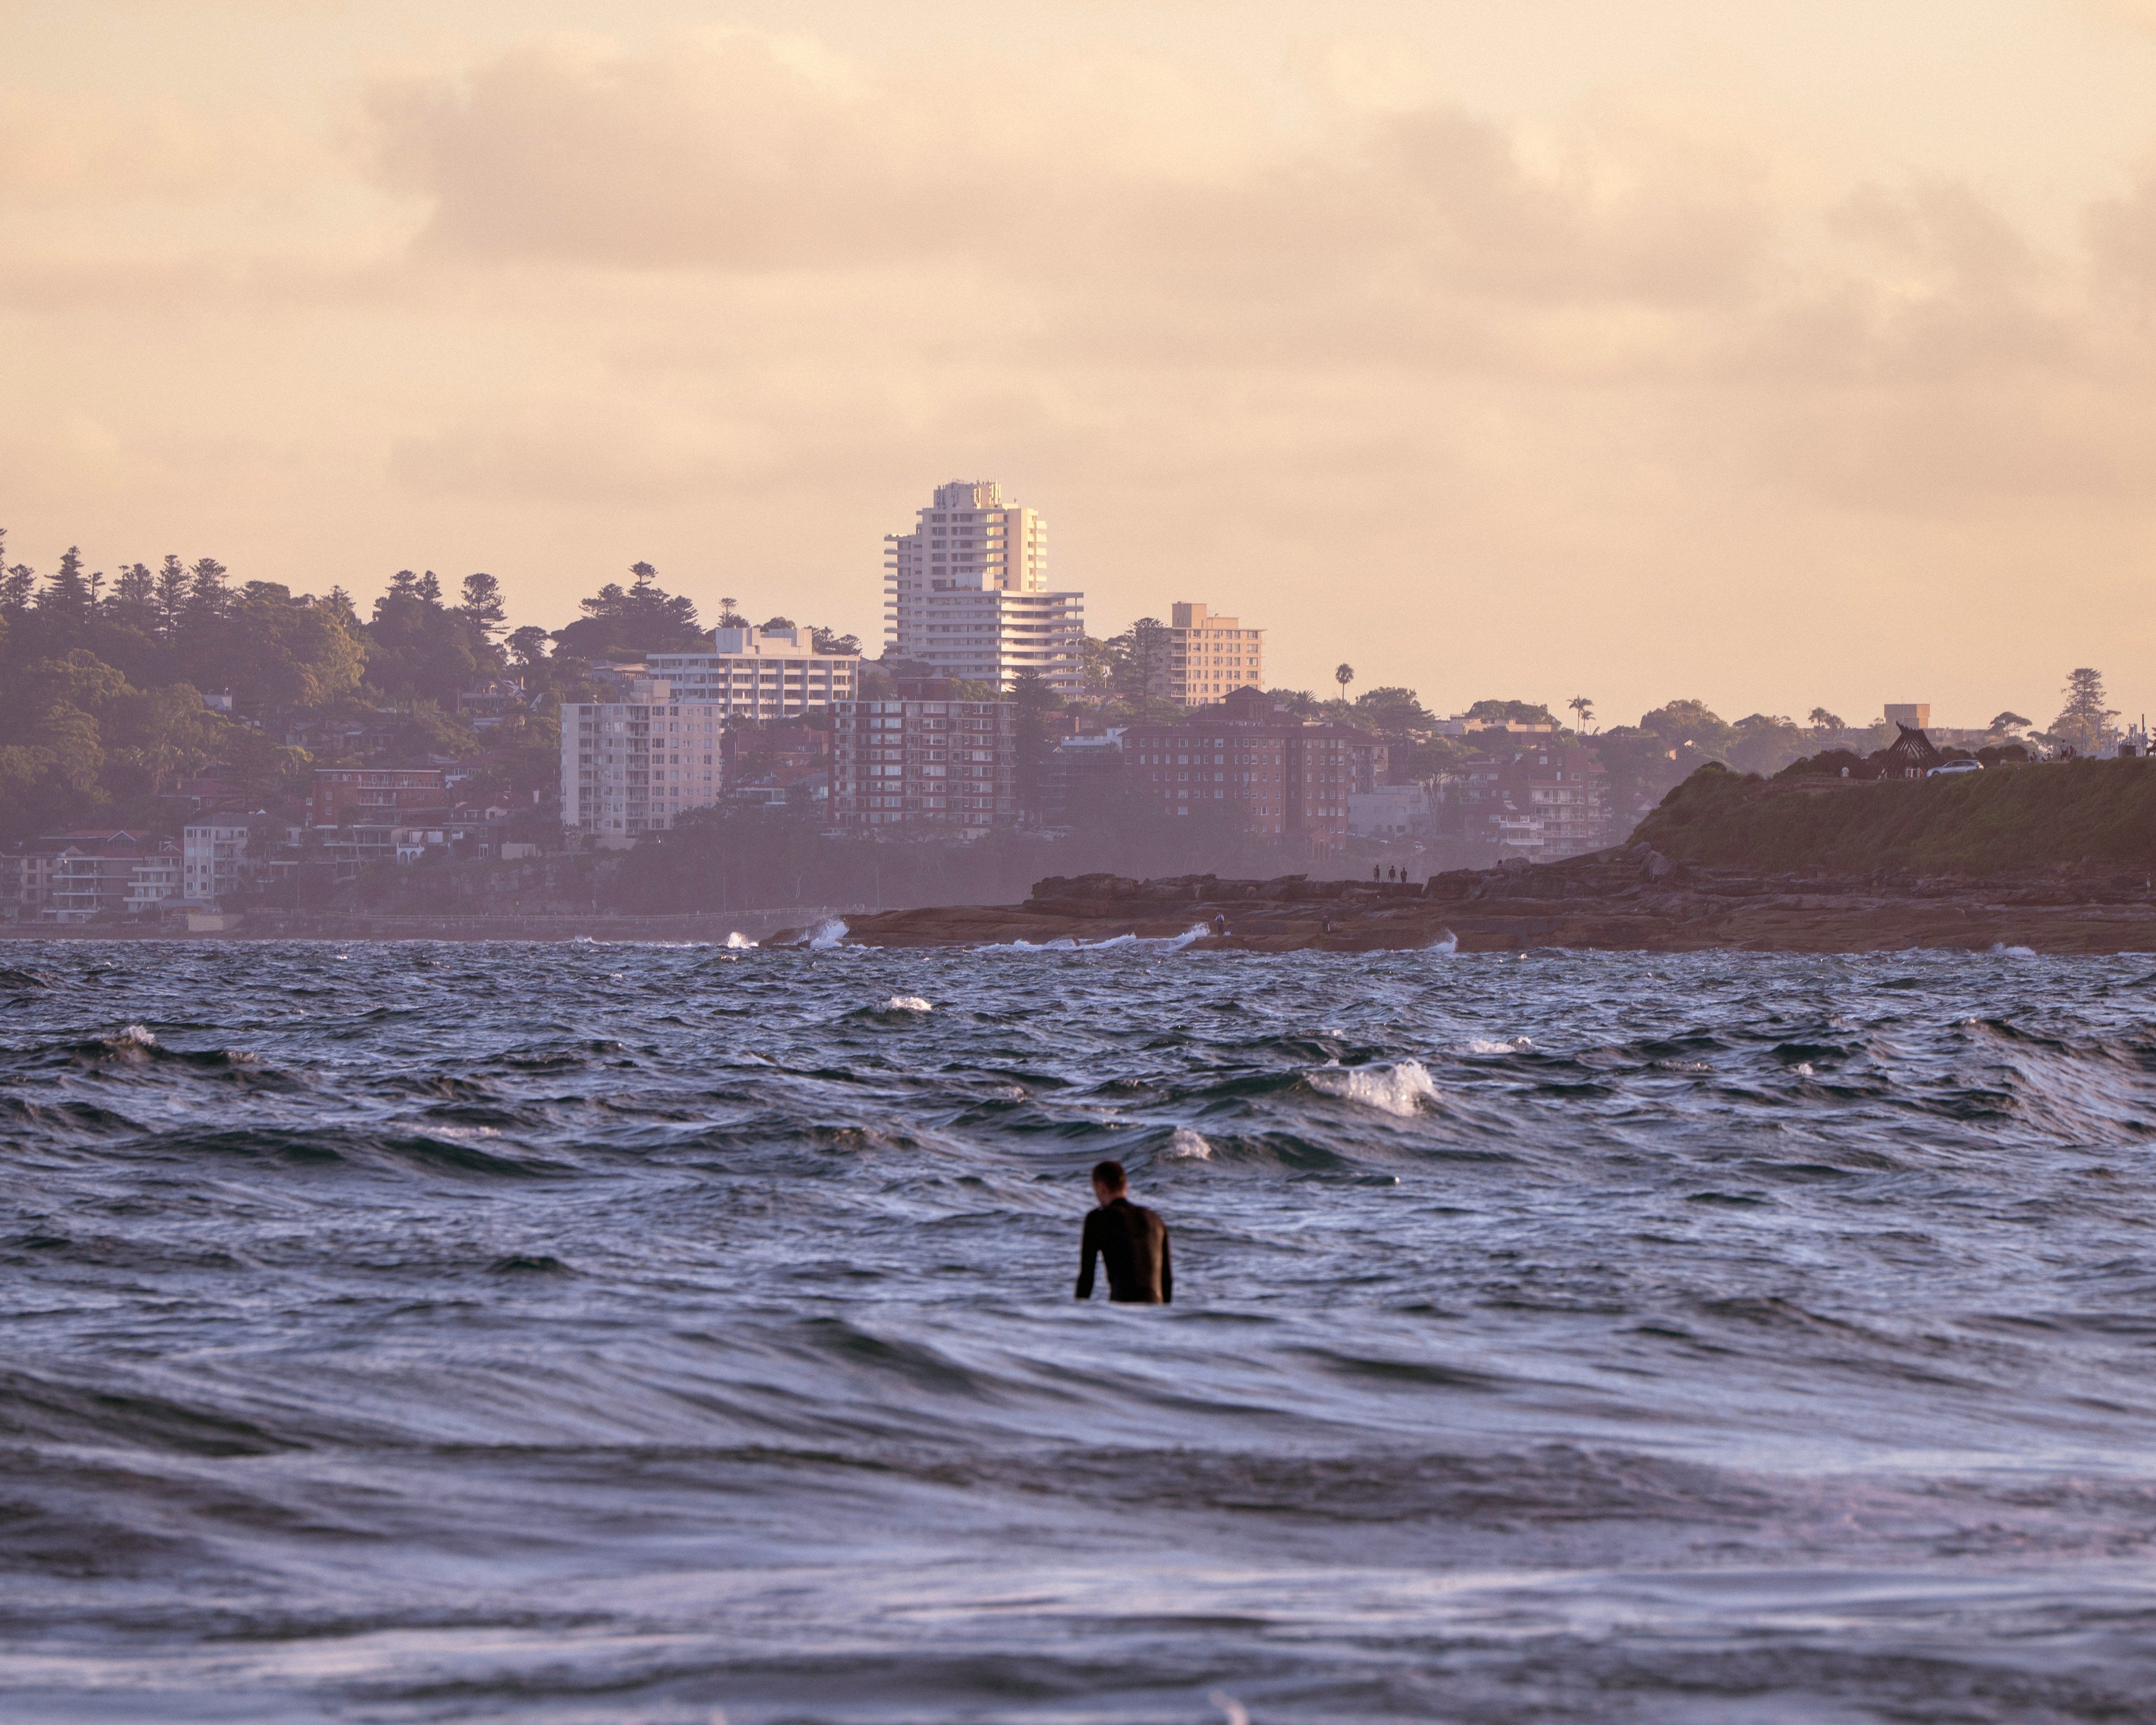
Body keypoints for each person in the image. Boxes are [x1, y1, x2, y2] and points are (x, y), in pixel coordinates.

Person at [1075, 1159, 1172, 1304]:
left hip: (1122, 1307)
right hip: (1154, 1309)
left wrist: (1076, 1319)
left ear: (1101, 1188)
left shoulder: (1097, 1219)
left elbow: (1087, 1278)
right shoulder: (1155, 1220)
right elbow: (1167, 1281)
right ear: (1126, 1186)